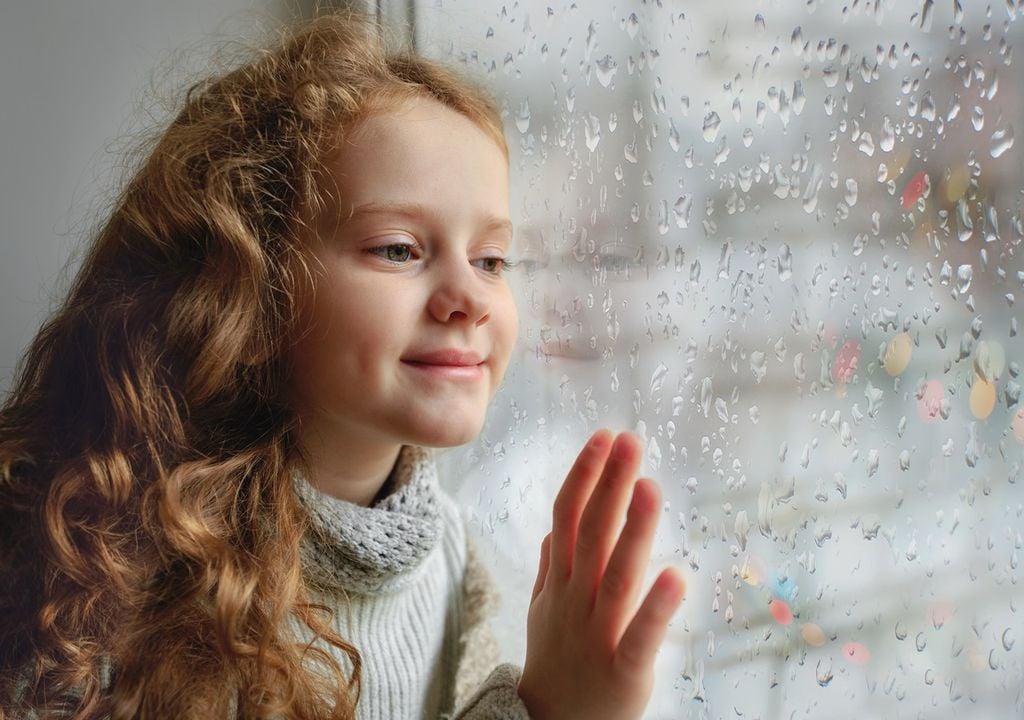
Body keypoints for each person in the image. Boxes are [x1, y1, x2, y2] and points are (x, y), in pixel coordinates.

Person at [0, 10, 686, 720]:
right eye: (398, 249)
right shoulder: (122, 558)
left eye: (491, 259)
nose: (469, 299)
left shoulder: (448, 556)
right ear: (254, 292)